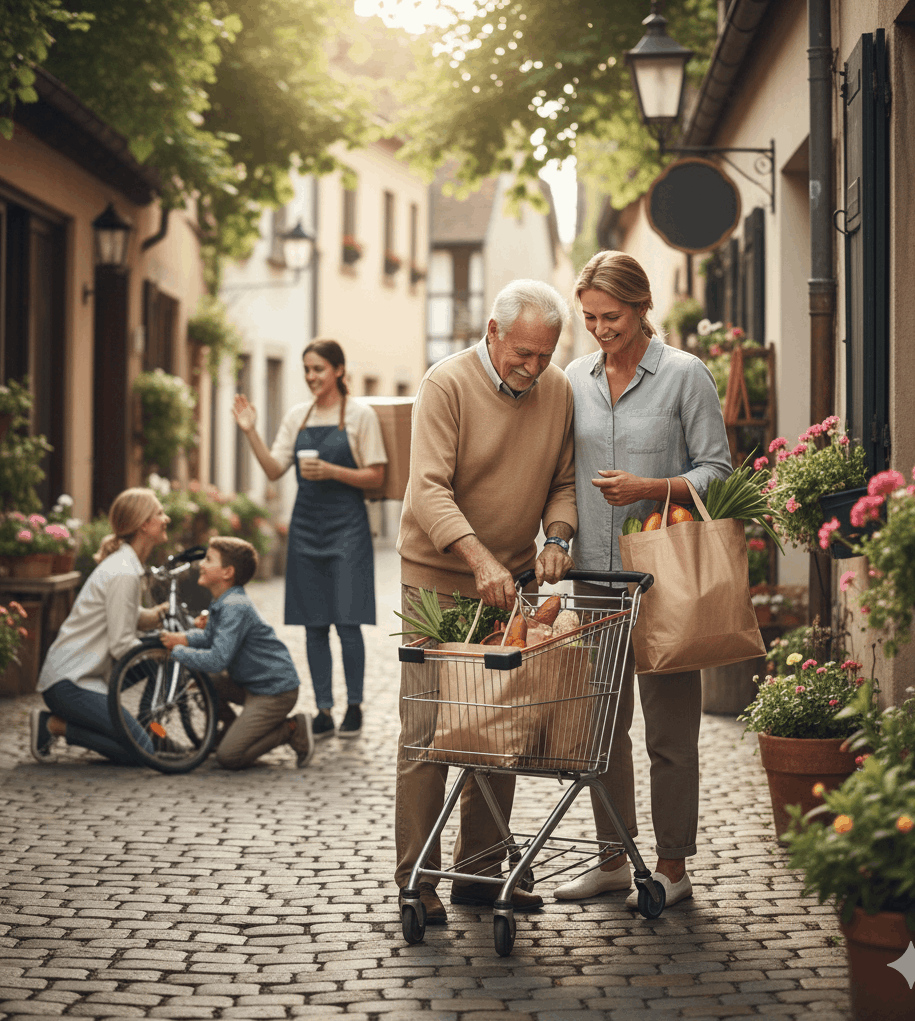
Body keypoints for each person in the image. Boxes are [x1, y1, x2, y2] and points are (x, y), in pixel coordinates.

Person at [395, 278, 577, 924]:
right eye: (520, 352)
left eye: (544, 354)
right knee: (426, 731)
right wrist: (481, 561)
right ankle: (416, 878)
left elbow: (563, 482)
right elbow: (428, 491)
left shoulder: (556, 392)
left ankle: (479, 873)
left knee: (498, 728)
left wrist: (557, 537)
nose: (531, 367)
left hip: (513, 578)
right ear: (492, 333)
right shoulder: (446, 384)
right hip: (435, 576)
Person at [553, 250, 732, 908]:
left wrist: (652, 487)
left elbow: (717, 468)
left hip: (664, 580)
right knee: (601, 729)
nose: (601, 329)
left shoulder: (686, 375)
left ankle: (671, 868)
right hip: (593, 580)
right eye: (591, 318)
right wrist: (555, 539)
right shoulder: (574, 376)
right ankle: (610, 858)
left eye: (613, 317)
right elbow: (561, 475)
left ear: (642, 305)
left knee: (669, 735)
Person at [233, 339, 388, 742]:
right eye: (306, 369)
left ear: (338, 370)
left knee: (348, 621)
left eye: (318, 368)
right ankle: (323, 710)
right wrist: (251, 432)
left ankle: (354, 707)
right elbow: (272, 470)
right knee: (314, 624)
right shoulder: (297, 417)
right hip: (305, 527)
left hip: (348, 528)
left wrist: (333, 471)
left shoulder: (360, 415)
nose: (311, 377)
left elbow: (377, 476)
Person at [30, 488, 171, 765]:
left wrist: (155, 617)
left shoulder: (127, 565)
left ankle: (148, 729)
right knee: (142, 752)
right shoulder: (123, 572)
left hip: (88, 676)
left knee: (157, 659)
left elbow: (123, 615)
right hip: (70, 683)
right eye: (159, 513)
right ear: (144, 524)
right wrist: (165, 650)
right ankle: (53, 726)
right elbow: (121, 644)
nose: (166, 519)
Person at [159, 536, 314, 770]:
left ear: (227, 572)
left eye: (209, 559)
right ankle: (232, 727)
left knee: (229, 756)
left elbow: (217, 659)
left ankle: (292, 729)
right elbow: (211, 637)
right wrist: (184, 638)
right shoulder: (224, 599)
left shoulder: (234, 606)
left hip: (274, 692)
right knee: (207, 681)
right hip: (251, 685)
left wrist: (180, 652)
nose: (201, 563)